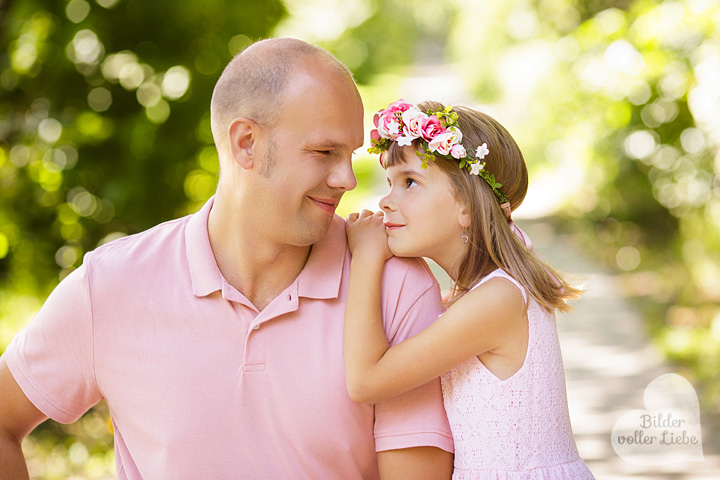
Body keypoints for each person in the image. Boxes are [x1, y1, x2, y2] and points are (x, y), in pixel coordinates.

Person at [0, 40, 454, 479]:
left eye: (349, 154)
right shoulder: (110, 286)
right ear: (245, 144)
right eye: (323, 152)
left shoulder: (396, 289)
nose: (347, 179)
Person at [344, 99, 595, 479]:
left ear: (466, 206)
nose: (385, 201)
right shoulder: (479, 296)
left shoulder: (498, 300)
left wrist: (366, 259)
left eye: (410, 182)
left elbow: (366, 381)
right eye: (389, 183)